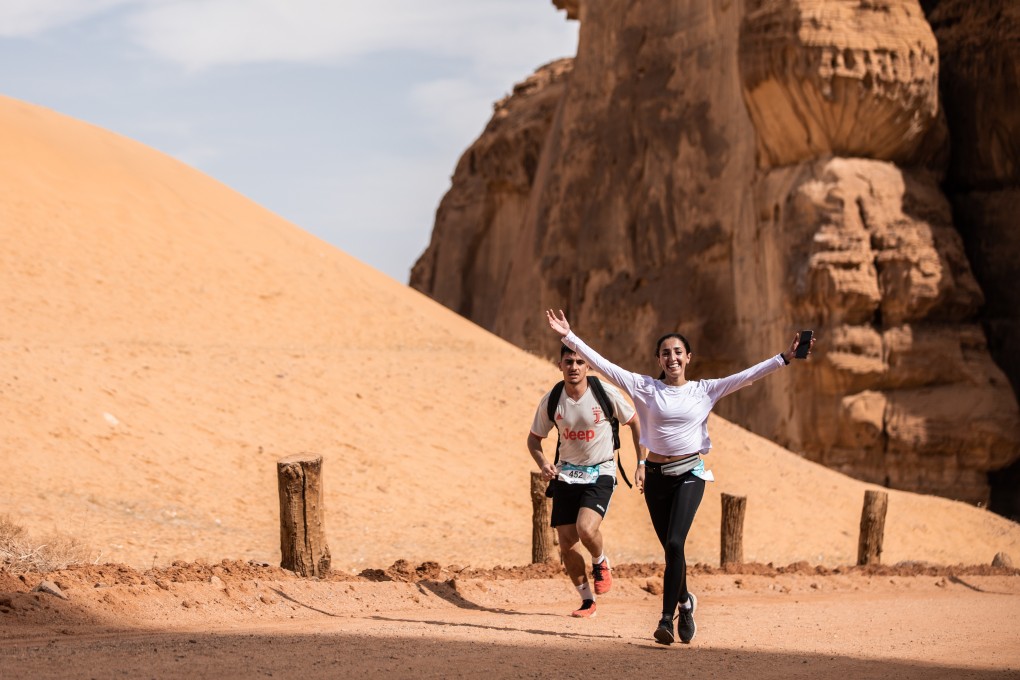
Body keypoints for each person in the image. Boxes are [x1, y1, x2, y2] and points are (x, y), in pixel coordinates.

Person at [546, 308, 813, 643]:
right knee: (671, 552)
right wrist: (569, 337)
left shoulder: (705, 389)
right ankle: (686, 603)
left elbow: (747, 376)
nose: (671, 358)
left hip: (690, 472)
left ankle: (664, 620)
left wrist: (784, 358)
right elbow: (602, 365)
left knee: (675, 543)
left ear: (688, 357)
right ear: (658, 359)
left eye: (677, 352)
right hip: (656, 477)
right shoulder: (643, 387)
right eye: (665, 353)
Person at [528, 344, 645, 619]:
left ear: (588, 366)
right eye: (568, 361)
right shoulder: (553, 399)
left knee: (586, 529)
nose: (574, 367)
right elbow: (534, 439)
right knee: (567, 544)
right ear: (560, 366)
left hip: (600, 470)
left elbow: (635, 421)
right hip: (566, 473)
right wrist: (544, 464)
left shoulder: (604, 392)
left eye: (580, 362)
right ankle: (586, 601)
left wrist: (641, 463)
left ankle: (600, 560)